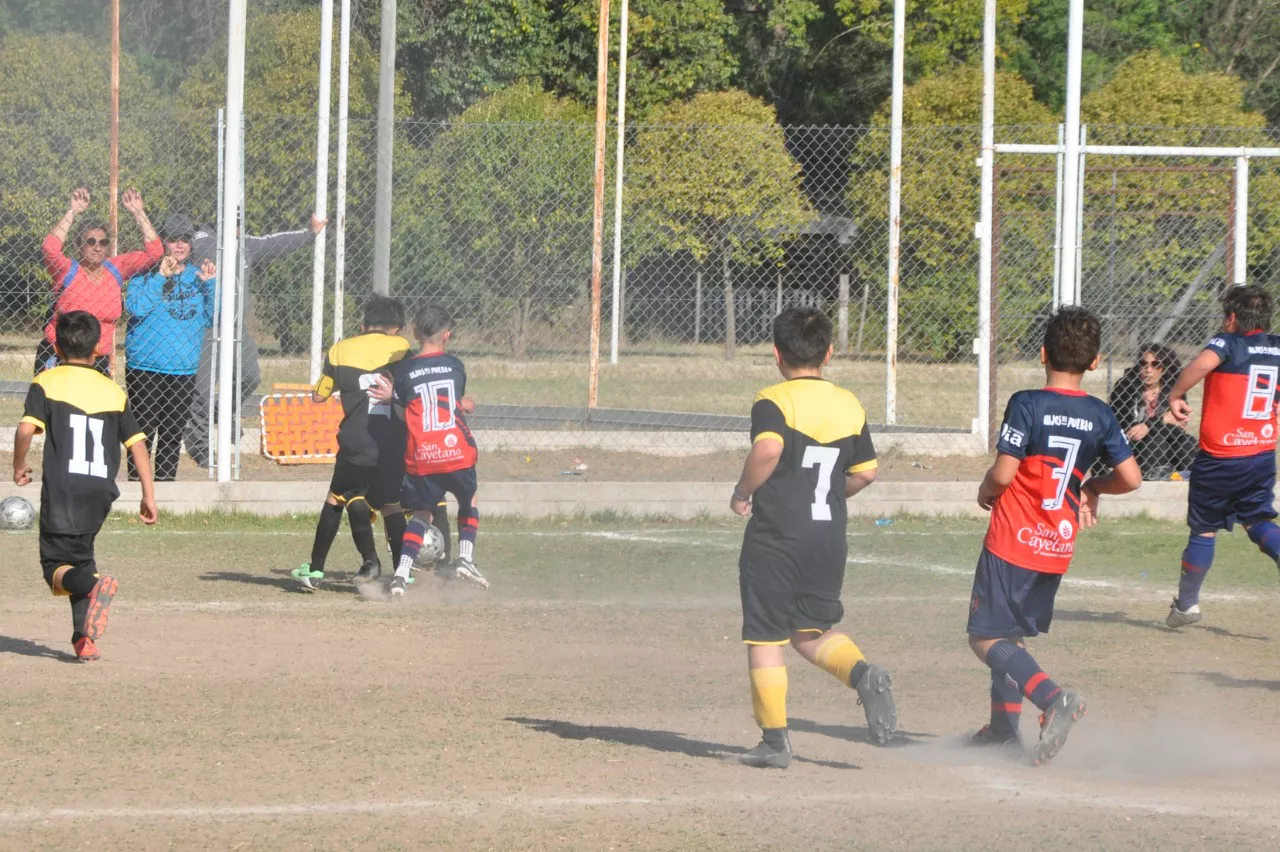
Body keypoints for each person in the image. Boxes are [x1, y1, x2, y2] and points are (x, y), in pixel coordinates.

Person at [966, 307, 1141, 765]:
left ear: (1042, 353)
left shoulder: (1027, 403)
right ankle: (1003, 731)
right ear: (1095, 361)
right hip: (1056, 546)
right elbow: (1132, 478)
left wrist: (985, 489)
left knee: (984, 638)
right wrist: (1092, 487)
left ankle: (1053, 698)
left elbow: (1004, 473)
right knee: (1009, 636)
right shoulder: (1101, 414)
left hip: (1013, 541)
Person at [728, 306, 897, 770]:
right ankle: (862, 673)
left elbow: (768, 448)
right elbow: (866, 472)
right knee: (809, 632)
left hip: (777, 538)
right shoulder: (848, 403)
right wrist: (831, 497)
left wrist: (742, 492)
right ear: (829, 353)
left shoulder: (773, 400)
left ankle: (774, 742)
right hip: (827, 538)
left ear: (776, 354)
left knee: (765, 637)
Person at [11, 311, 158, 662]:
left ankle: (94, 586)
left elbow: (26, 429)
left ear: (57, 348)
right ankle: (84, 639)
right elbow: (138, 444)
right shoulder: (113, 391)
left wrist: (18, 465)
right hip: (99, 493)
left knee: (54, 567)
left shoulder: (47, 382)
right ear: (98, 350)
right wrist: (148, 495)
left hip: (63, 492)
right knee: (79, 560)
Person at [1165, 285, 1280, 628]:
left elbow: (1201, 364)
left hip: (1220, 456)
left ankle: (1187, 605)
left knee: (1204, 529)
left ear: (1231, 318)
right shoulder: (1277, 346)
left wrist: (1176, 393)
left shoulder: (1227, 342)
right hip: (1261, 453)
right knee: (1257, 520)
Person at [181, 213, 327, 467]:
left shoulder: (245, 243)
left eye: (240, 223)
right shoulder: (201, 240)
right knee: (202, 390)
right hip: (205, 326)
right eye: (232, 222)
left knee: (249, 376)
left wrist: (309, 233)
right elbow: (176, 249)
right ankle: (200, 444)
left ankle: (220, 412)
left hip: (236, 328)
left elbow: (274, 243)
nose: (238, 228)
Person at [291, 297, 412, 592]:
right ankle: (403, 572)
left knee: (336, 500)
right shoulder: (402, 348)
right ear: (396, 327)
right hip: (391, 443)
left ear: (363, 325)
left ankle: (316, 569)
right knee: (391, 505)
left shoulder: (340, 349)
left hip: (356, 442)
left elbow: (319, 396)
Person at [378, 304, 488, 597]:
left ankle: (401, 575)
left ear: (415, 332)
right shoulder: (455, 366)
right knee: (468, 499)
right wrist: (463, 404)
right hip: (456, 450)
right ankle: (465, 558)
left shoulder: (404, 370)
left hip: (423, 455)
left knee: (422, 514)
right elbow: (448, 402)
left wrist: (393, 398)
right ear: (447, 335)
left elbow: (408, 408)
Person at [123, 216, 217, 481]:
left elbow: (213, 318)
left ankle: (165, 485)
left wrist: (211, 286)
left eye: (185, 239)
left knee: (172, 433)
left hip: (183, 369)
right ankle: (138, 484)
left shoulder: (198, 276)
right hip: (145, 368)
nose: (180, 245)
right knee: (142, 433)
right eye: (173, 239)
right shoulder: (144, 274)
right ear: (162, 243)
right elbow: (136, 308)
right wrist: (160, 277)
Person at [39, 187, 163, 375]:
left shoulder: (116, 269)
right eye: (90, 242)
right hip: (60, 355)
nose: (97, 247)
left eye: (103, 242)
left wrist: (138, 212)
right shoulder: (67, 270)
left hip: (97, 358)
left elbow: (155, 252)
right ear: (78, 245)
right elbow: (50, 248)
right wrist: (72, 211)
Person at [1107, 344, 1197, 478]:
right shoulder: (1125, 387)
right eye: (1143, 364)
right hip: (1134, 444)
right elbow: (1126, 425)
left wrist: (1148, 425)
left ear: (1164, 368)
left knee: (1187, 442)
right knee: (1155, 439)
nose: (1148, 370)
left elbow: (1179, 427)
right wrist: (1163, 419)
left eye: (1156, 365)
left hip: (1169, 442)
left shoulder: (1174, 389)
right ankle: (1152, 477)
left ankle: (1190, 478)